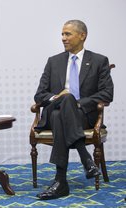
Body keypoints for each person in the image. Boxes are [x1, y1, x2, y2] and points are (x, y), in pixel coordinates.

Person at [34, 20, 113, 200]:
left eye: (67, 34)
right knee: (65, 100)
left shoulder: (99, 61)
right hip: (59, 109)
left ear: (82, 36)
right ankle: (86, 159)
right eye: (62, 34)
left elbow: (107, 93)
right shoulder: (54, 61)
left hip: (83, 115)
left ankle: (60, 182)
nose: (63, 38)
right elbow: (39, 95)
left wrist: (79, 103)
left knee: (58, 114)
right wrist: (58, 97)